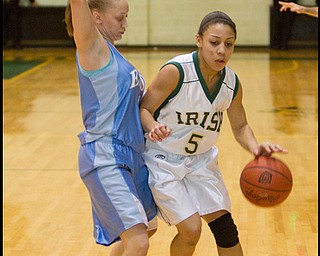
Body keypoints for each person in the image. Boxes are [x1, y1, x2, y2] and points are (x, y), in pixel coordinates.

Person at [140, 11, 289, 256]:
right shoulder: (176, 72)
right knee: (191, 230)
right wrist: (152, 126)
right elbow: (144, 108)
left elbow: (240, 126)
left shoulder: (231, 83)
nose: (222, 51)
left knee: (225, 229)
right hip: (163, 160)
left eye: (228, 44)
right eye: (214, 42)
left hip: (200, 162)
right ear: (199, 40)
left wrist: (254, 147)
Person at [64, 0, 158, 255]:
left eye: (127, 17)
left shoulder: (114, 55)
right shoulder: (92, 49)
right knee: (138, 241)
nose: (125, 25)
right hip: (106, 154)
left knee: (147, 229)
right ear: (96, 17)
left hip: (132, 154)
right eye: (120, 18)